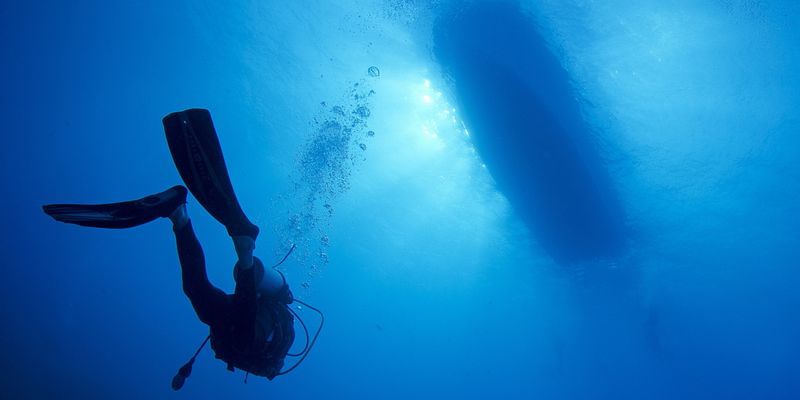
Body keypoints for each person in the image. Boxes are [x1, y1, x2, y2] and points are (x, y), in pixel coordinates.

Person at [43, 109, 321, 389]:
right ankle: (245, 251)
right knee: (240, 326)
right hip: (244, 320)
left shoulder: (259, 349)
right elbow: (250, 324)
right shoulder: (269, 355)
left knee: (196, 290)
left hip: (232, 318)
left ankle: (179, 215)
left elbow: (241, 319)